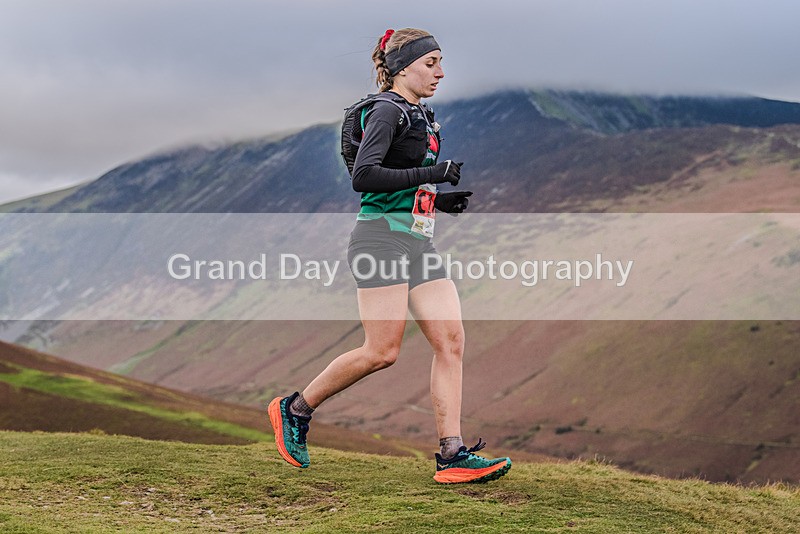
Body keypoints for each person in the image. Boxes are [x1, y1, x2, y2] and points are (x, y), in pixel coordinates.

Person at [268, 27, 511, 484]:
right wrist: (433, 172)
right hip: (379, 240)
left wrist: (438, 199)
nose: (441, 72)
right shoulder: (385, 110)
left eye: (440, 62)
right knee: (382, 352)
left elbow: (399, 181)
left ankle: (451, 453)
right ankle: (295, 409)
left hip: (418, 241)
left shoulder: (420, 114)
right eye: (431, 62)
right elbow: (365, 177)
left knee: (451, 341)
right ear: (403, 67)